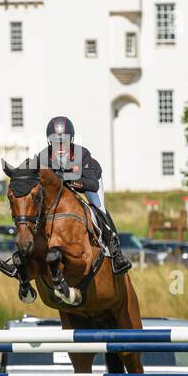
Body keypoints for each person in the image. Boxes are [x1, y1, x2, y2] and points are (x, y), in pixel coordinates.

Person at [16, 116, 132, 274]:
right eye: (56, 141)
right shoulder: (44, 156)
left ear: (71, 139)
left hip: (87, 182)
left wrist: (67, 180)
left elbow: (92, 185)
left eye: (64, 141)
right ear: (49, 141)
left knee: (98, 208)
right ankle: (25, 257)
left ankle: (116, 252)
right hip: (62, 190)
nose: (60, 146)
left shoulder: (82, 154)